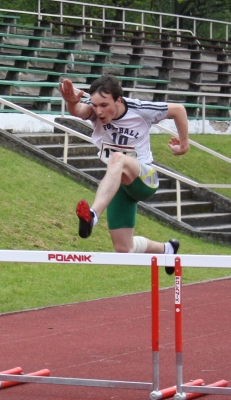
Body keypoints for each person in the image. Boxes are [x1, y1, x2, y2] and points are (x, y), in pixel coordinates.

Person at [60, 75, 188, 274]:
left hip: (145, 179)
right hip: (118, 185)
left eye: (104, 105)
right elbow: (78, 110)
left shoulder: (140, 110)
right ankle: (167, 249)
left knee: (117, 159)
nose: (99, 111)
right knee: (123, 248)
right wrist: (71, 101)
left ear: (118, 100)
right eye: (95, 105)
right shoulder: (95, 110)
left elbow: (178, 110)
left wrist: (184, 144)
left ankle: (93, 215)